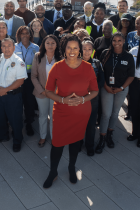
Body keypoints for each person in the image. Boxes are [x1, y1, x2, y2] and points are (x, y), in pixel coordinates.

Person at [42, 34, 99, 189]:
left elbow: (94, 91)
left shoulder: (88, 68)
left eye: (75, 47)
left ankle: (71, 167)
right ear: (64, 49)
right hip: (61, 111)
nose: (72, 51)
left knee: (75, 142)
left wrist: (82, 100)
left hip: (81, 112)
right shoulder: (57, 67)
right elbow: (48, 91)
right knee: (57, 144)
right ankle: (53, 172)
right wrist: (63, 100)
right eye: (69, 47)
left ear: (79, 49)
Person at [96, 32, 135, 154]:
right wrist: (106, 86)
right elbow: (100, 71)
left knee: (115, 113)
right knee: (106, 114)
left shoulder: (128, 56)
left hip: (121, 89)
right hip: (106, 87)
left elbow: (131, 76)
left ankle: (109, 135)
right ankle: (102, 138)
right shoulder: (105, 53)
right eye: (114, 40)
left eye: (119, 41)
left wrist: (121, 88)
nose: (116, 43)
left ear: (124, 41)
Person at [0, 38, 27, 152]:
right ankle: (2, 136)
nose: (6, 48)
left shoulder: (19, 62)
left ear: (14, 47)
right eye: (4, 46)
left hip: (13, 96)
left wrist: (5, 90)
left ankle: (17, 141)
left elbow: (20, 81)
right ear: (1, 48)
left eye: (9, 46)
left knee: (15, 119)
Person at [31, 35, 62, 147]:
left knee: (54, 116)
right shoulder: (38, 56)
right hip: (41, 92)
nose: (50, 45)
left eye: (53, 43)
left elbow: (63, 78)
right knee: (43, 115)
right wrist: (42, 91)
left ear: (56, 45)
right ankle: (43, 137)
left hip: (55, 93)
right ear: (44, 44)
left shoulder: (61, 58)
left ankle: (54, 138)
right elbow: (33, 76)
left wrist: (55, 92)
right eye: (47, 43)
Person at [14, 26, 40, 136]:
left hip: (30, 78)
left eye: (27, 33)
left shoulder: (36, 47)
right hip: (17, 77)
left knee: (29, 102)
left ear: (30, 35)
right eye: (22, 33)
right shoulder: (14, 47)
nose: (25, 35)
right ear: (19, 35)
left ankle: (29, 123)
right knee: (18, 102)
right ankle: (17, 124)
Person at [82, 39, 105, 156]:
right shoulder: (75, 62)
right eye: (84, 49)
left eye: (89, 49)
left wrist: (93, 89)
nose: (86, 52)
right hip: (79, 99)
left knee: (91, 123)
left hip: (92, 98)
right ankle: (78, 143)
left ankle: (89, 145)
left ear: (93, 51)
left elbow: (101, 79)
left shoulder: (97, 63)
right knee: (79, 123)